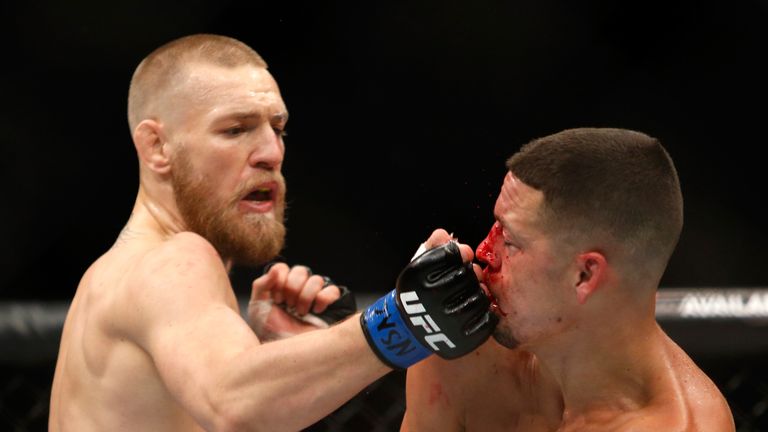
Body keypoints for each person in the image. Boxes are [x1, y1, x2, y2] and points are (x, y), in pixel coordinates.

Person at [49, 33, 497, 432]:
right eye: (236, 129)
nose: (271, 152)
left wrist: (267, 358)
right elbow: (233, 407)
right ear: (157, 147)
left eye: (277, 128)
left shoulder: (119, 272)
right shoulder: (171, 260)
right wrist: (401, 321)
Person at [401, 128, 736, 431]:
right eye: (496, 225)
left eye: (511, 241)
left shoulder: (679, 426)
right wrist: (401, 324)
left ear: (584, 275)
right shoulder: (465, 352)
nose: (484, 251)